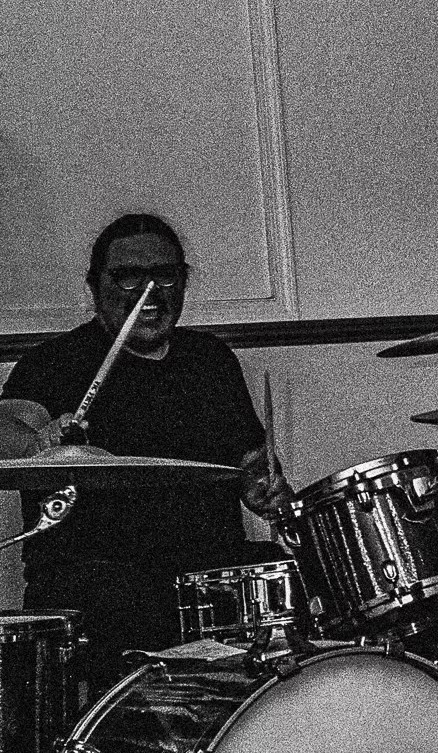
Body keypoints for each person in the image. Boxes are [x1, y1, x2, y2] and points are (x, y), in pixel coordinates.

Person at [0, 212, 290, 695]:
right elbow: (4, 428)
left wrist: (265, 486)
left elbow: (250, 463)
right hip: (98, 585)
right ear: (95, 286)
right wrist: (39, 442)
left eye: (165, 275)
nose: (149, 291)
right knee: (118, 600)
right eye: (128, 277)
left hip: (205, 579)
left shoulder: (211, 360)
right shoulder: (53, 362)